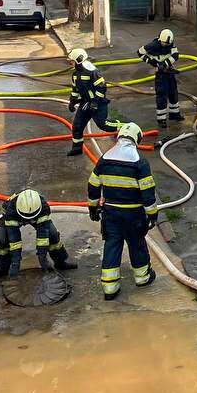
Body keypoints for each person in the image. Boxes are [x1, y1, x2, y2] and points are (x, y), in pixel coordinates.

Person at [86, 122, 159, 299]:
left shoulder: (104, 160)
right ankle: (142, 278)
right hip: (133, 214)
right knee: (137, 244)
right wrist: (152, 215)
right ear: (137, 139)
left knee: (112, 244)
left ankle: (110, 287)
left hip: (110, 213)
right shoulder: (139, 163)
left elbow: (93, 185)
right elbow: (148, 192)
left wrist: (93, 207)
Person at [0, 189, 78, 279]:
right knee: (2, 239)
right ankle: (3, 268)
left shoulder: (43, 207)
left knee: (52, 234)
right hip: (14, 218)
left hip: (37, 216)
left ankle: (60, 263)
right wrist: (16, 263)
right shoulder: (10, 210)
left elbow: (43, 236)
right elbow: (14, 240)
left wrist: (42, 258)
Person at [67, 46, 111, 157]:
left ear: (78, 60)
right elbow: (75, 90)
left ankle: (124, 128)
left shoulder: (93, 72)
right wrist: (72, 102)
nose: (71, 64)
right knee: (77, 126)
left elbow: (102, 87)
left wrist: (95, 102)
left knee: (103, 125)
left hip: (98, 103)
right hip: (85, 103)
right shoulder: (75, 75)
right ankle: (77, 148)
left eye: (72, 62)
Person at [138, 28, 182, 126]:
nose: (166, 45)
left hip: (169, 71)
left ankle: (174, 114)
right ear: (160, 40)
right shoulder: (153, 45)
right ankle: (161, 119)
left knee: (173, 92)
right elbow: (140, 52)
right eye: (164, 44)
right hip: (160, 74)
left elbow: (175, 55)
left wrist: (165, 63)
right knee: (162, 94)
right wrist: (151, 62)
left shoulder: (170, 43)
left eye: (168, 44)